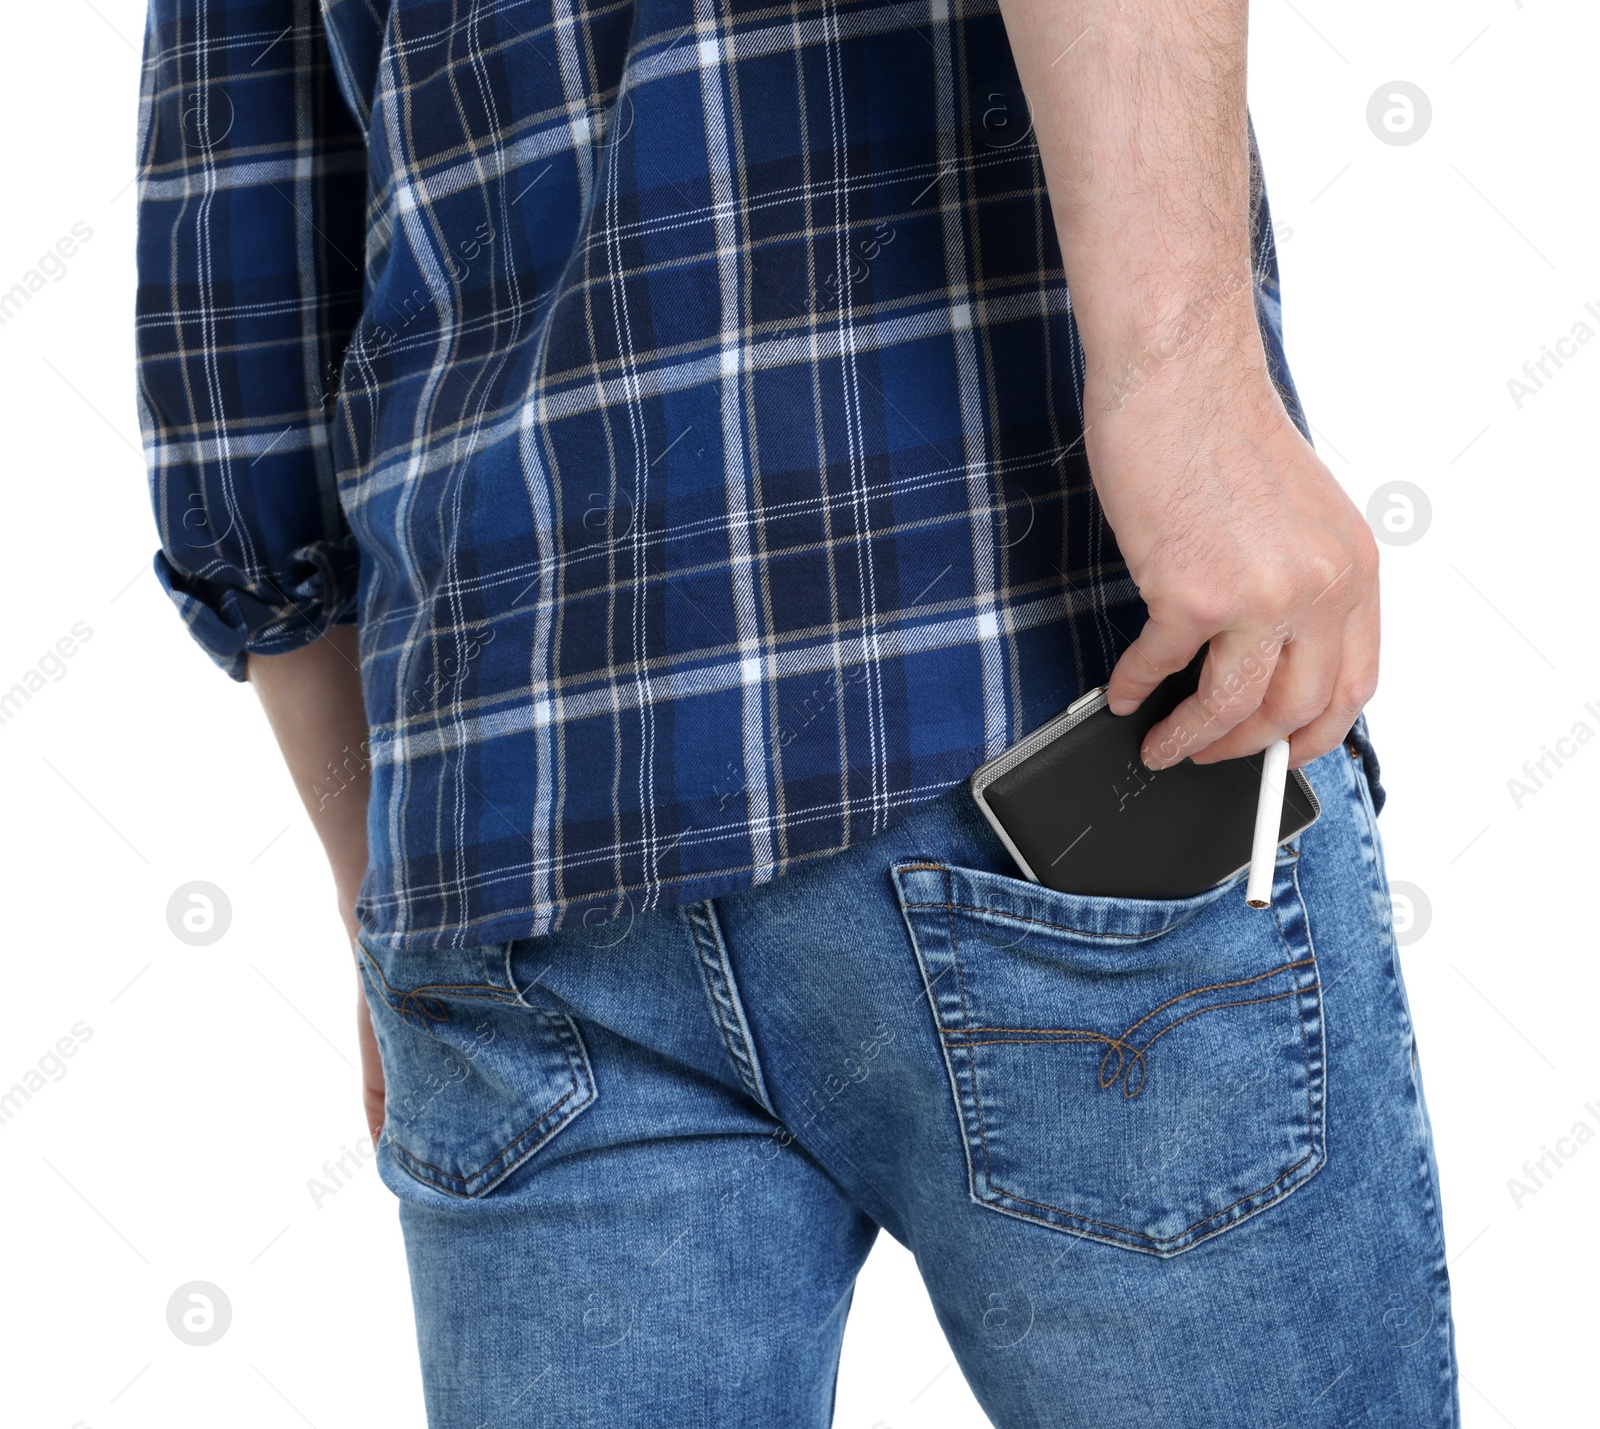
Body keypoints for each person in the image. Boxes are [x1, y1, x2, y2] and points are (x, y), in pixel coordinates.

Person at [134, 0, 1458, 1423]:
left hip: (513, 853)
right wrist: (1187, 377)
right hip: (1030, 709)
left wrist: (381, 883)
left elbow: (234, 322)